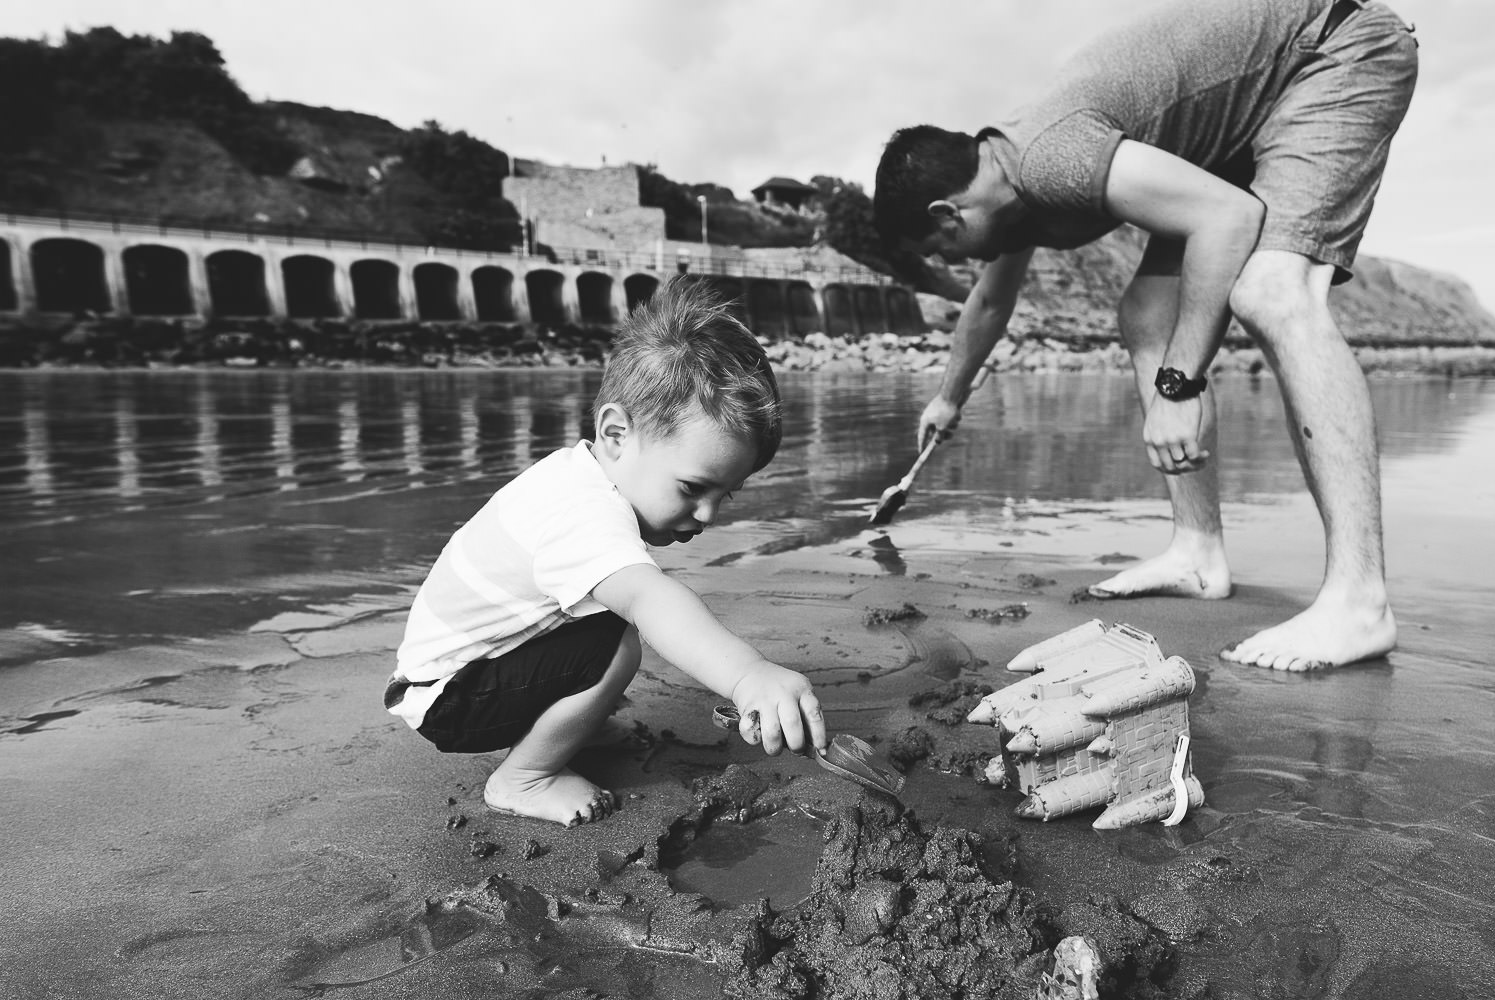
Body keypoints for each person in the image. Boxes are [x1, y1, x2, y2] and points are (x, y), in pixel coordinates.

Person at [872, 0, 1417, 672]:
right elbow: (992, 298)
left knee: (1274, 291)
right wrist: (948, 399)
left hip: (1329, 50)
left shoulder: (1049, 158)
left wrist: (1178, 385)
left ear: (946, 216)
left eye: (943, 253)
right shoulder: (1010, 185)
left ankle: (1360, 601)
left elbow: (1227, 218)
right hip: (1238, 130)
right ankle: (1197, 551)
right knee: (1145, 316)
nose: (958, 266)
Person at [384, 277, 828, 826]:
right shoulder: (581, 512)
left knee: (602, 624)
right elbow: (649, 599)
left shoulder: (580, 477)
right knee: (618, 643)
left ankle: (571, 723)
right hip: (448, 700)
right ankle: (524, 778)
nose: (710, 514)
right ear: (616, 433)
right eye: (693, 488)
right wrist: (748, 675)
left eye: (725, 494)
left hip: (459, 674)